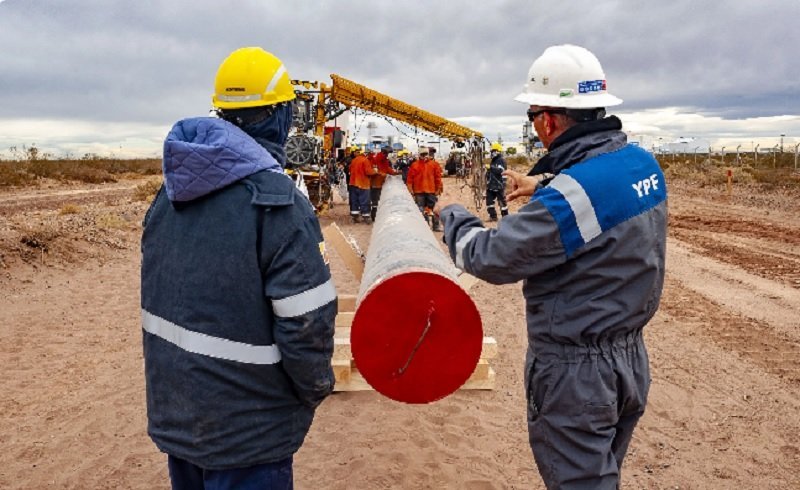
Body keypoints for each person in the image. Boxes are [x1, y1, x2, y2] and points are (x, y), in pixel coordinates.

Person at [434, 44, 667, 489]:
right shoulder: (642, 165)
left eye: (533, 117)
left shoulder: (569, 200)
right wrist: (543, 182)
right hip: (629, 360)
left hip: (578, 376)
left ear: (549, 121)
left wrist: (451, 214)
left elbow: (488, 256)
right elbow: (600, 184)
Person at [140, 47, 337, 490]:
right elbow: (307, 326)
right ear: (281, 116)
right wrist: (315, 388)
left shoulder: (169, 197)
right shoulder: (278, 206)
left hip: (179, 416)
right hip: (251, 432)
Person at [406, 147, 443, 231]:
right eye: (423, 154)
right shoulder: (414, 165)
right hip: (419, 192)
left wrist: (438, 189)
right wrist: (410, 190)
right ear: (419, 155)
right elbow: (410, 179)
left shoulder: (434, 164)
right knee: (421, 210)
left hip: (430, 191)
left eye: (425, 154)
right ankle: (425, 227)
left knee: (434, 209)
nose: (424, 156)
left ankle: (435, 226)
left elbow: (438, 178)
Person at [369, 145, 399, 220]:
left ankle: (377, 215)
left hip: (380, 183)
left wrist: (396, 172)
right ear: (385, 153)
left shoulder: (384, 160)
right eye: (388, 153)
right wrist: (381, 173)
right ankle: (374, 216)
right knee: (375, 201)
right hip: (375, 184)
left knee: (379, 200)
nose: (389, 155)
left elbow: (387, 169)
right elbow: (372, 170)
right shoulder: (375, 159)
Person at [348, 146, 375, 223]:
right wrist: (375, 171)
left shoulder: (353, 160)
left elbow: (350, 170)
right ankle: (366, 217)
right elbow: (368, 172)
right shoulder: (365, 160)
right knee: (364, 200)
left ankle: (355, 217)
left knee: (354, 200)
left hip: (353, 183)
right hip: (363, 184)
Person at [485, 142, 509, 221]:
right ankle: (493, 217)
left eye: (493, 151)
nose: (491, 153)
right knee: (489, 201)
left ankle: (505, 217)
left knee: (502, 202)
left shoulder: (501, 160)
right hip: (491, 185)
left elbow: (500, 171)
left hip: (499, 185)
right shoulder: (494, 160)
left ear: (497, 151)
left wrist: (490, 168)